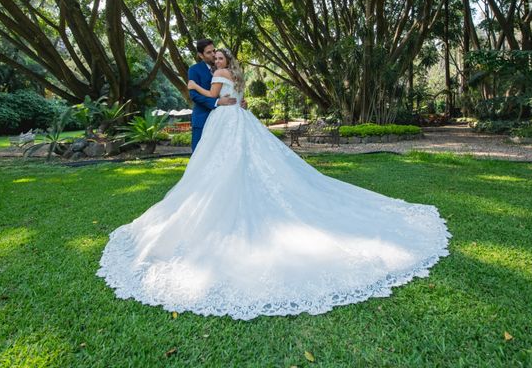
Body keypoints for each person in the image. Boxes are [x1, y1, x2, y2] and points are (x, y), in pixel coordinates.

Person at [97, 49, 451, 321]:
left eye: (220, 57)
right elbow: (238, 99)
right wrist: (230, 98)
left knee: (216, 167)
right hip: (241, 119)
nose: (217, 61)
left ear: (224, 61)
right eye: (215, 56)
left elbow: (217, 98)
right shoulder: (237, 73)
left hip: (226, 119)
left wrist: (193, 86)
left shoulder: (219, 74)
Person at [187, 39, 236, 152]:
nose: (214, 55)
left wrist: (240, 101)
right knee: (199, 155)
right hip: (202, 118)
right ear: (200, 55)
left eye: (214, 50)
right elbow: (194, 95)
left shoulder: (224, 69)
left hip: (224, 120)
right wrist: (217, 102)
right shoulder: (194, 70)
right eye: (209, 52)